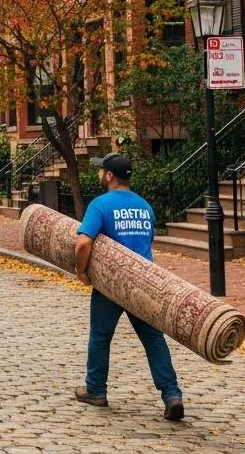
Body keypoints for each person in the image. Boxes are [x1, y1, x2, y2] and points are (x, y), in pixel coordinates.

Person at [73, 152, 184, 421]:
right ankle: (172, 394)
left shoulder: (100, 205)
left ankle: (96, 390)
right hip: (142, 283)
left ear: (109, 176)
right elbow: (147, 243)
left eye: (102, 171)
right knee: (153, 339)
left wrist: (81, 271)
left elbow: (84, 243)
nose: (100, 175)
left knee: (100, 337)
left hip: (111, 284)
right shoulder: (145, 207)